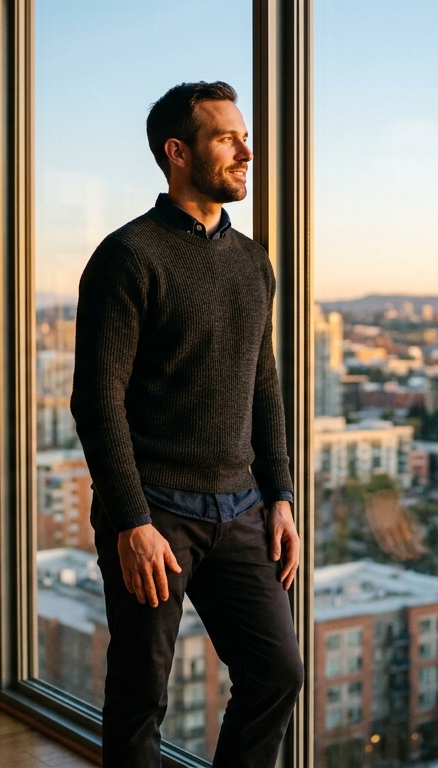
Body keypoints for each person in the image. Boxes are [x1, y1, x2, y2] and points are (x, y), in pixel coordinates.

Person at [70, 81, 304, 767]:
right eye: (227, 137)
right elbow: (96, 401)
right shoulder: (129, 257)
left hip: (240, 511)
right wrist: (132, 522)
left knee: (277, 673)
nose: (247, 151)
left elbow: (261, 383)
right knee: (142, 696)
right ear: (178, 152)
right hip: (156, 515)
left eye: (245, 136)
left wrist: (281, 495)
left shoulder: (253, 261)